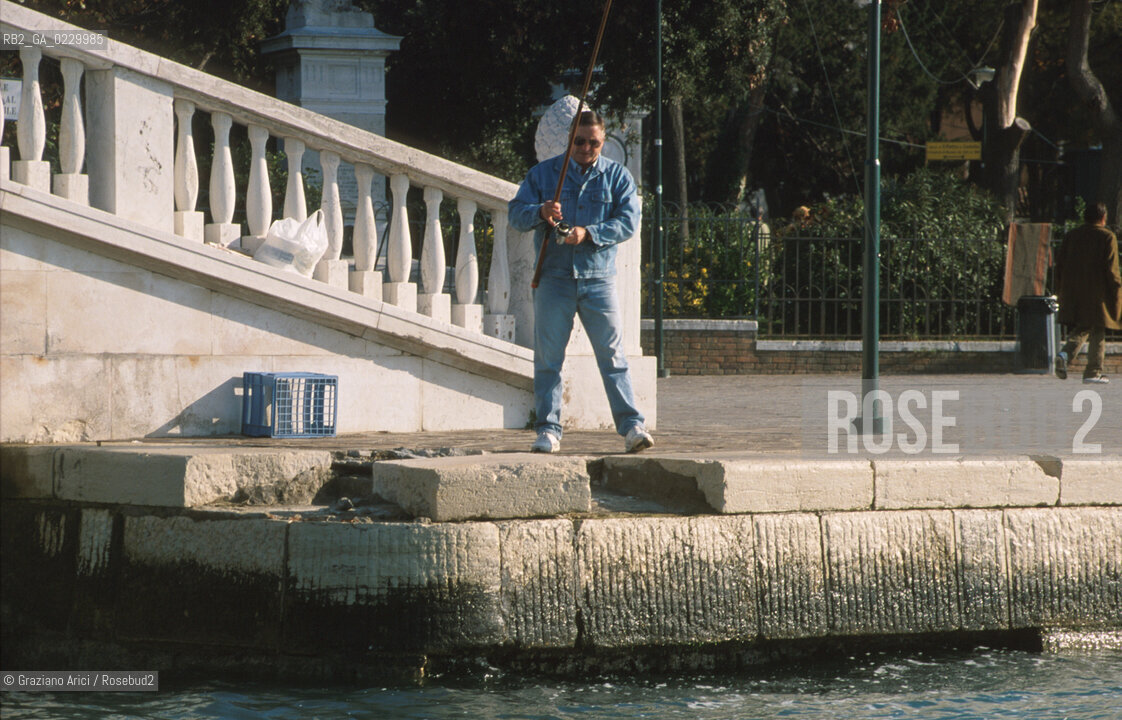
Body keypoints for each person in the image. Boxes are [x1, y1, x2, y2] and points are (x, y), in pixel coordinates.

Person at [509, 110, 653, 454]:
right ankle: (548, 429)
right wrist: (541, 212)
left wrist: (589, 233)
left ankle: (632, 426)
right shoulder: (543, 174)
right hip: (554, 279)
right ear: (570, 139)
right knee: (548, 359)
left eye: (594, 142)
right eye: (580, 141)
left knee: (613, 355)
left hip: (599, 280)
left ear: (602, 142)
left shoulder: (617, 176)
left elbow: (628, 222)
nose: (587, 148)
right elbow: (516, 214)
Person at [1054, 202, 1121, 383]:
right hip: (1097, 293)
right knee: (1097, 328)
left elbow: (1059, 265)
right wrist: (1117, 289)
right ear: (1103, 217)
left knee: (1086, 327)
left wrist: (1059, 289)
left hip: (1073, 292)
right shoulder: (1107, 237)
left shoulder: (1071, 236)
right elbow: (1111, 269)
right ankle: (1090, 370)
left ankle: (1068, 357)